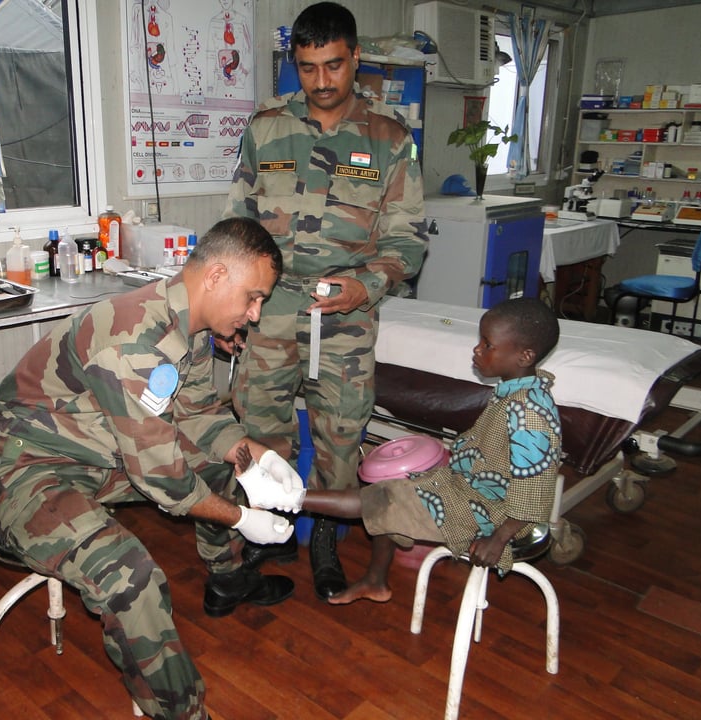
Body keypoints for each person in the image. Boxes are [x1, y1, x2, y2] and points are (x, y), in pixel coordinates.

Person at [0, 217, 309, 720]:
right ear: (214, 277)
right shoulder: (133, 340)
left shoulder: (183, 324)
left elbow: (200, 415)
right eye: (253, 297)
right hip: (20, 471)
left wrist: (256, 456)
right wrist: (242, 519)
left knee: (221, 467)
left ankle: (227, 579)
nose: (255, 315)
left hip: (93, 452)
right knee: (130, 577)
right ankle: (183, 714)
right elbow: (164, 480)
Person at [221, 1, 428, 601]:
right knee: (260, 427)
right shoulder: (265, 129)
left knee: (341, 435)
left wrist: (371, 284)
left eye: (334, 66)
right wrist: (231, 308)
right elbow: (238, 227)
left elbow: (406, 237)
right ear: (296, 65)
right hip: (270, 308)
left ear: (355, 58)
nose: (322, 82)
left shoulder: (389, 138)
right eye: (309, 69)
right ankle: (270, 531)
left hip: (347, 314)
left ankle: (325, 541)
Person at [240, 298, 562, 604]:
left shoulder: (529, 415)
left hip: (484, 513)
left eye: (488, 344)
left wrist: (499, 538)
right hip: (466, 486)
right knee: (391, 492)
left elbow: (533, 491)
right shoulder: (517, 393)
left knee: (383, 500)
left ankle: (279, 497)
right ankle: (375, 581)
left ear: (524, 356)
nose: (477, 349)